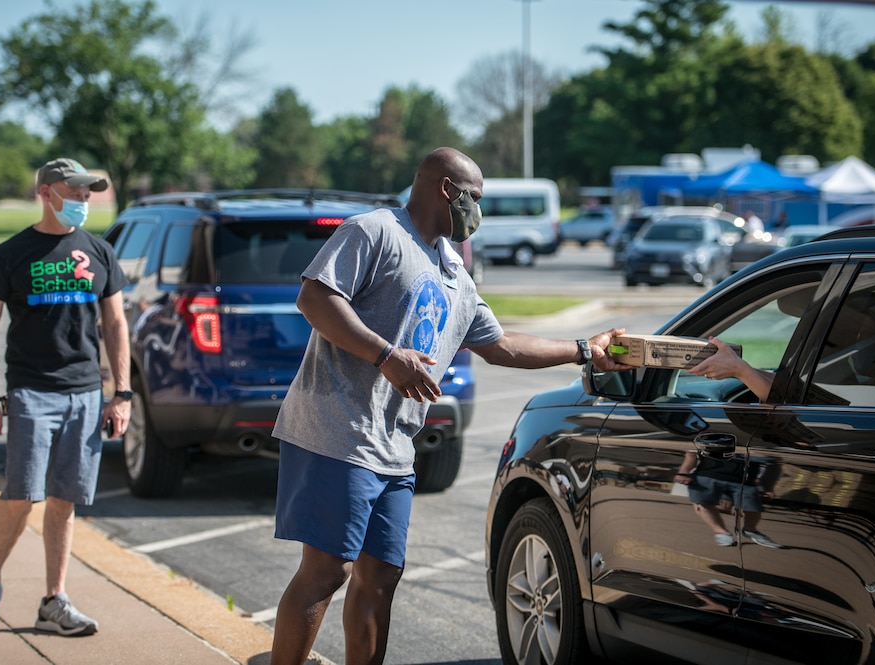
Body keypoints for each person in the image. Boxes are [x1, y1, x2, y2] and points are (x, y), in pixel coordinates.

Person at [268, 147, 628, 665]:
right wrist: (386, 355)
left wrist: (581, 350)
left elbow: (500, 345)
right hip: (337, 430)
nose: (477, 212)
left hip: (394, 447)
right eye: (474, 199)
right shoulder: (376, 231)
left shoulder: (454, 269)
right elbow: (315, 298)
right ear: (445, 189)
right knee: (327, 572)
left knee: (380, 578)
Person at [0, 158, 131, 639]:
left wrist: (122, 393)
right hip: (31, 390)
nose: (82, 200)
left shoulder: (99, 251)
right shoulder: (12, 253)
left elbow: (115, 325)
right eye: (73, 191)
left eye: (87, 193)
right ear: (46, 193)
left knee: (64, 499)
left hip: (85, 393)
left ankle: (54, 601)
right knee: (21, 495)